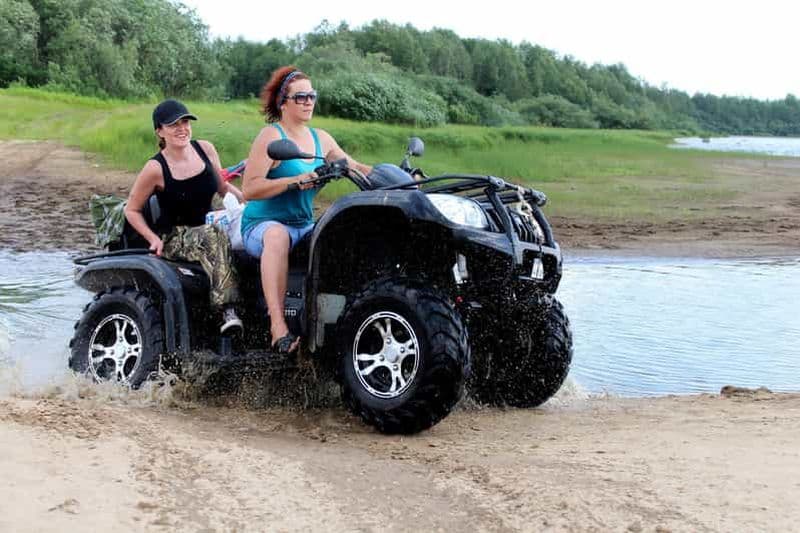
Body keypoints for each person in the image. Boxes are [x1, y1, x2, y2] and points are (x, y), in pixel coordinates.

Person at [241, 66, 372, 355]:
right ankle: (278, 327)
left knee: (344, 232)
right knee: (277, 236)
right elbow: (249, 189)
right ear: (283, 103)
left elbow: (357, 167)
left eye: (311, 96)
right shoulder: (271, 137)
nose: (308, 102)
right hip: (263, 224)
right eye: (300, 97)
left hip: (302, 224)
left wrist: (400, 177)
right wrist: (292, 181)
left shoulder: (321, 139)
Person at [125, 99, 245, 334]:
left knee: (249, 224)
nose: (182, 129)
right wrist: (153, 239)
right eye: (173, 125)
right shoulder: (155, 168)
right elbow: (131, 210)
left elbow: (223, 188)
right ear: (160, 131)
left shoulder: (205, 149)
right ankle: (226, 310)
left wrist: (249, 204)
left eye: (185, 122)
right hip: (176, 235)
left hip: (212, 222)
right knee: (213, 235)